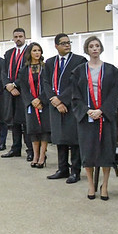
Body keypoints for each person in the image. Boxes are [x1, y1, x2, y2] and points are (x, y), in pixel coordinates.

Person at [71, 36, 118, 201]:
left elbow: (114, 94)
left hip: (105, 117)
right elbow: (75, 95)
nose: (94, 48)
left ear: (101, 48)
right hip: (87, 118)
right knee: (88, 152)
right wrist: (87, 110)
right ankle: (91, 184)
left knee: (106, 151)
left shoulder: (112, 70)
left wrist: (102, 110)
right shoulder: (78, 71)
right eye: (91, 46)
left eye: (97, 45)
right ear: (87, 49)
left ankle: (104, 185)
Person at [42, 33, 87, 182]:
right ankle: (62, 168)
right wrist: (53, 100)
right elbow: (46, 82)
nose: (67, 45)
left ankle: (75, 171)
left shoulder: (79, 61)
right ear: (56, 46)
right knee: (59, 138)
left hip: (72, 105)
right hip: (54, 106)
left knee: (73, 139)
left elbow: (78, 83)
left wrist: (61, 100)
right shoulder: (49, 62)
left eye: (68, 42)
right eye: (63, 43)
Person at [16, 43, 51, 168]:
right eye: (34, 50)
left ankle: (42, 156)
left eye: (39, 51)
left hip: (43, 104)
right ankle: (35, 155)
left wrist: (40, 100)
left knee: (44, 130)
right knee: (33, 130)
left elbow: (48, 85)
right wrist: (32, 100)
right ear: (29, 53)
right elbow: (23, 88)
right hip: (31, 104)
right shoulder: (24, 70)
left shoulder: (46, 67)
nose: (37, 53)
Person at [2, 28, 33, 160]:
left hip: (24, 92)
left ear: (25, 37)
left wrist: (15, 84)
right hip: (10, 93)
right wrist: (8, 85)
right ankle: (15, 148)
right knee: (14, 121)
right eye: (16, 36)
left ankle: (30, 150)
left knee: (25, 123)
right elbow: (3, 72)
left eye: (20, 36)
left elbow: (28, 72)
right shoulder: (9, 53)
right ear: (13, 38)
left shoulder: (30, 52)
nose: (18, 38)